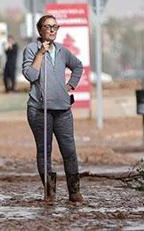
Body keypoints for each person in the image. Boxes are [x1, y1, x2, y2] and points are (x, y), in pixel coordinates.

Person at [22, 15, 84, 203]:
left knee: (69, 150)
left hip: (63, 110)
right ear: (39, 29)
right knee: (44, 151)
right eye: (48, 27)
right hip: (39, 110)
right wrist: (41, 53)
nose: (52, 30)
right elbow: (30, 75)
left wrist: (70, 86)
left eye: (55, 27)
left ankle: (74, 192)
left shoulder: (63, 51)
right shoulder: (32, 49)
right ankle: (50, 193)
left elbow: (78, 66)